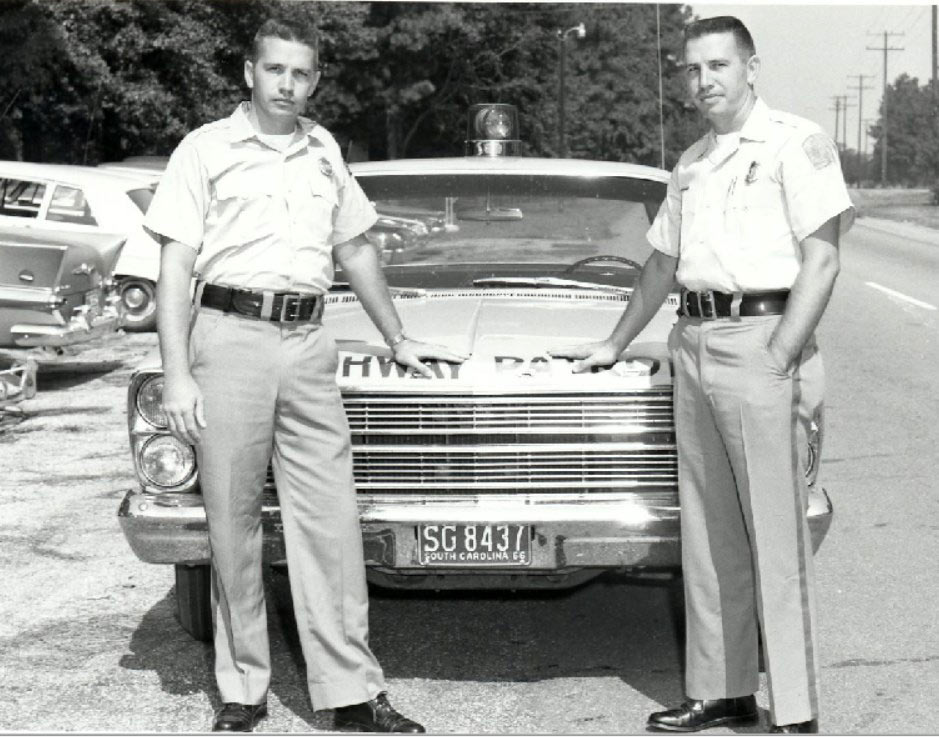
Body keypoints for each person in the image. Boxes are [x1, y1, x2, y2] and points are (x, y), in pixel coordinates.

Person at [144, 17, 467, 733]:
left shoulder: (324, 151)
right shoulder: (205, 149)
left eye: (301, 74)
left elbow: (353, 250)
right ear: (248, 74)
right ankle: (242, 688)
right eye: (275, 70)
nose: (287, 84)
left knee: (330, 521)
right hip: (228, 340)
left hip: (309, 341)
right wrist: (176, 375)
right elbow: (173, 267)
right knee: (231, 521)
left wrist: (397, 334)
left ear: (314, 80)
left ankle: (350, 691)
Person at [551, 15, 853, 735]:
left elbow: (823, 257)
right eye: (690, 69)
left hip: (760, 339)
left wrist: (781, 353)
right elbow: (662, 263)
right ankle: (721, 690)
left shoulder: (793, 143)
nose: (702, 81)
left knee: (773, 536)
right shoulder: (689, 161)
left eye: (717, 65)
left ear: (751, 67)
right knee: (708, 530)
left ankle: (797, 710)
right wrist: (616, 341)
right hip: (692, 341)